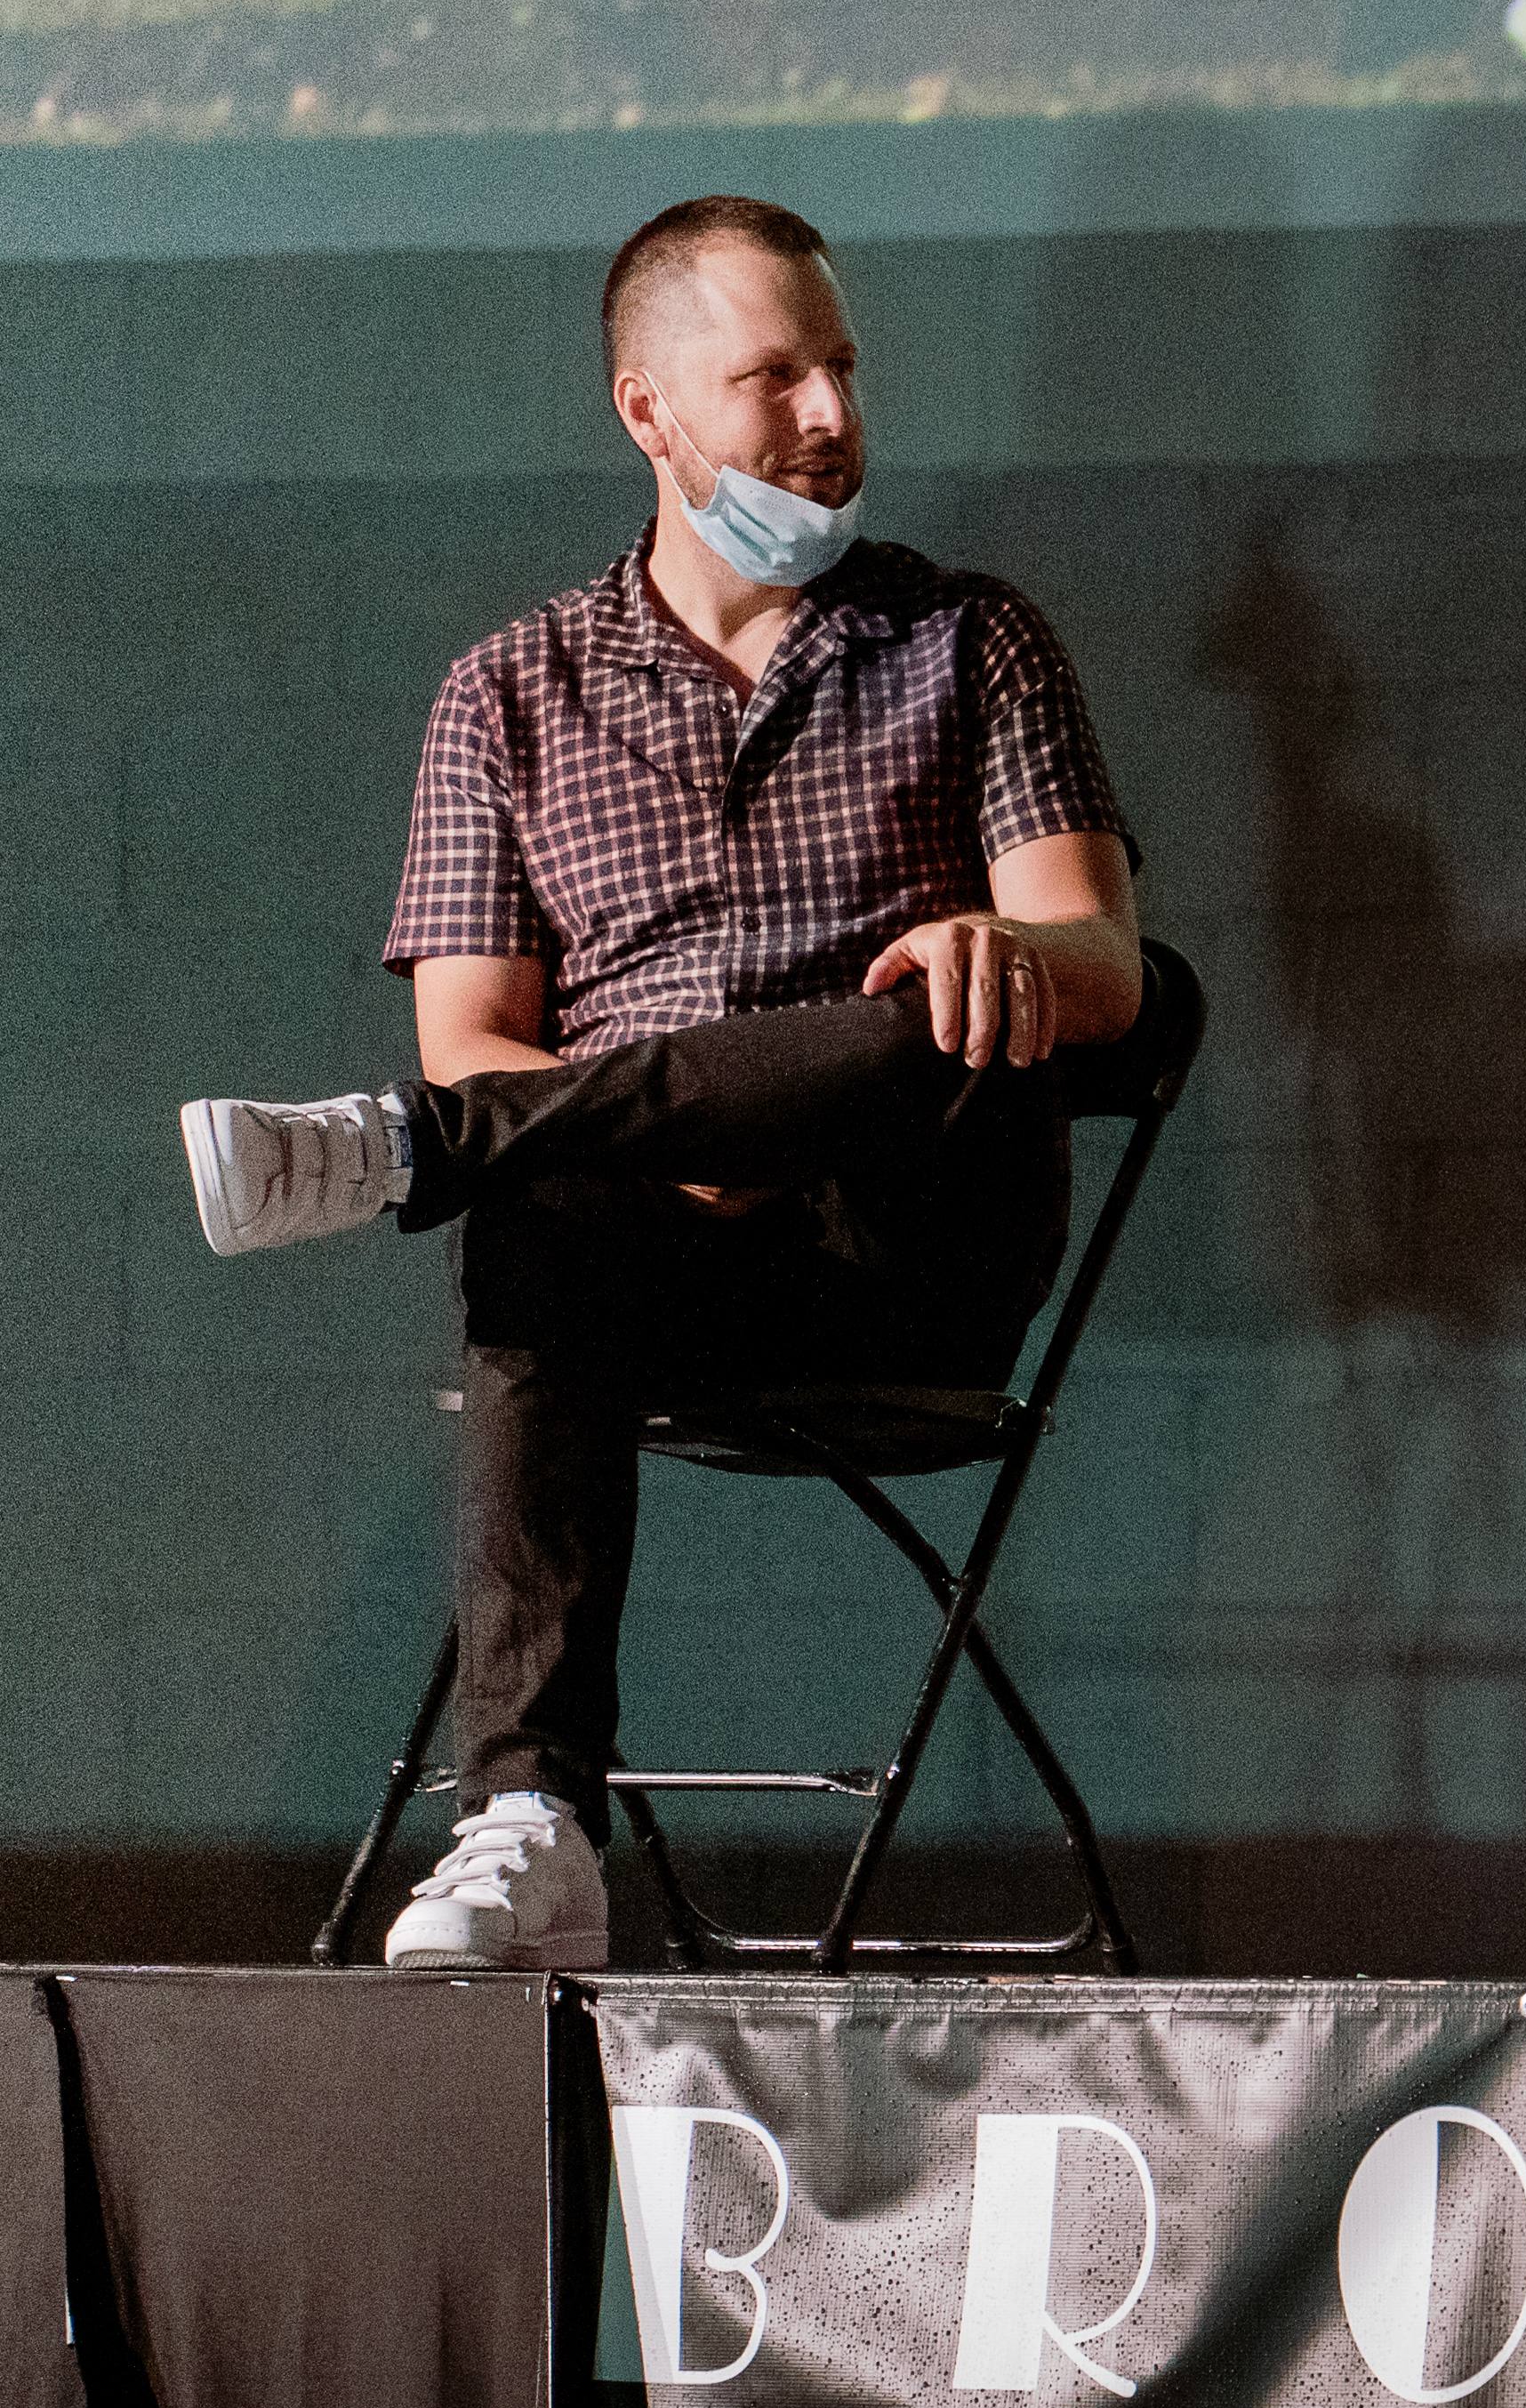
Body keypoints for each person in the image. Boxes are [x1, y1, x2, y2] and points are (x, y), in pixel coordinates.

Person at [175, 196, 1142, 1976]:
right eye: (774, 373)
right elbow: (473, 1036)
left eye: (842, 366)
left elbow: (1115, 966)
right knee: (531, 1186)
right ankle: (534, 1819)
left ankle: (394, 1161)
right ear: (652, 411)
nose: (831, 414)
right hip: (650, 1269)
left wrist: (1008, 958)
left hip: (907, 1244)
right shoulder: (507, 696)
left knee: (915, 1008)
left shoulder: (969, 643)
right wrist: (676, 1141)